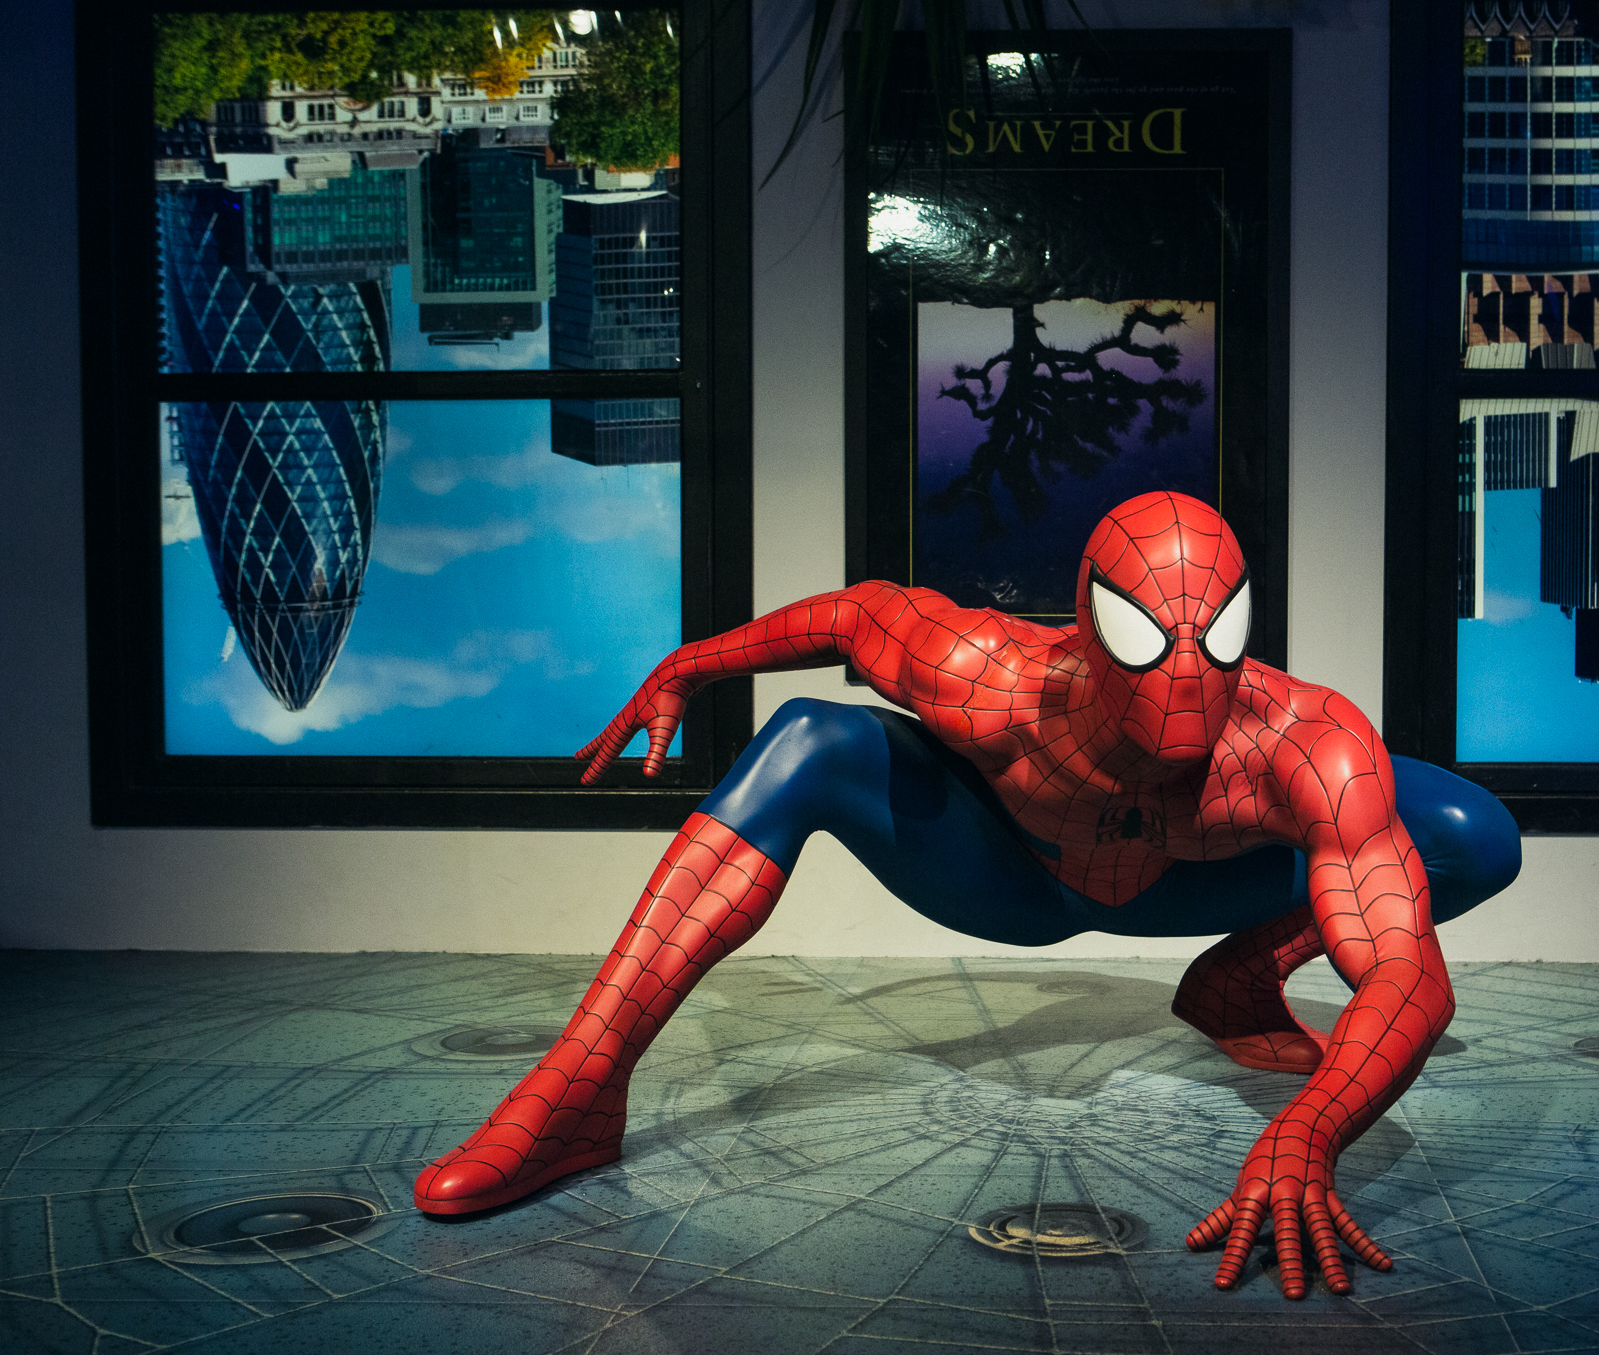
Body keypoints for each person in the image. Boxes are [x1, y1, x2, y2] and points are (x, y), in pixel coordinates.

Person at [414, 491, 1520, 1299]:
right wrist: (688, 666)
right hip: (1009, 877)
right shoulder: (989, 675)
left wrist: (1311, 1131)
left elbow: (1401, 968)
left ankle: (1236, 979)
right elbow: (850, 618)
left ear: (1243, 625)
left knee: (1468, 837)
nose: (1182, 674)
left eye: (1211, 637)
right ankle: (578, 1089)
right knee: (806, 740)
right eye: (1145, 638)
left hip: (1188, 883)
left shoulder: (1299, 738)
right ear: (1088, 623)